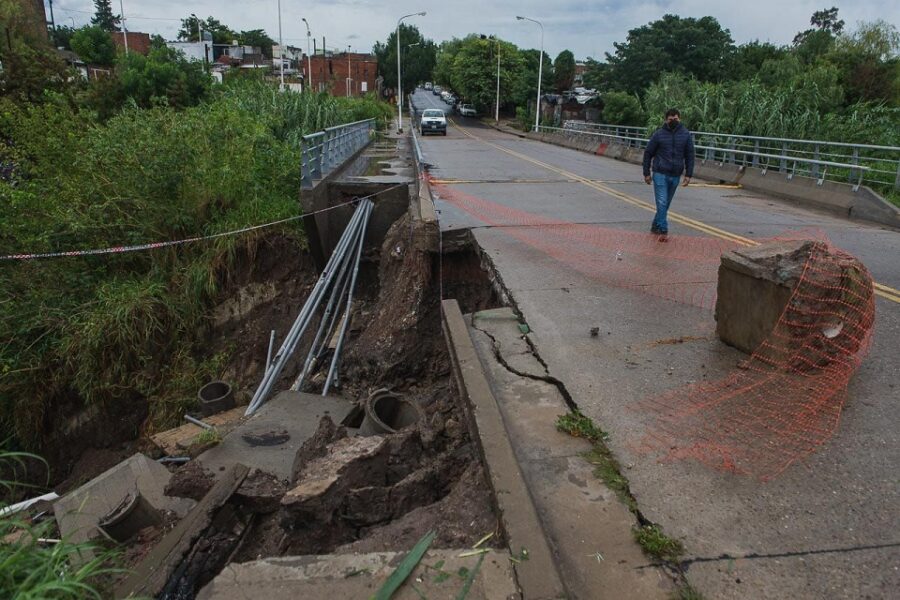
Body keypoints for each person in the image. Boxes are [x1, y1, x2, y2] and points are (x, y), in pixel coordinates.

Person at [642, 109, 695, 236]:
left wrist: (688, 174)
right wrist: (646, 173)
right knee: (662, 201)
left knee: (666, 203)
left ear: (680, 119)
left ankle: (655, 224)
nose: (673, 122)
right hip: (660, 173)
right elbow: (648, 153)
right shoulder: (659, 135)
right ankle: (662, 228)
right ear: (666, 120)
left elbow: (690, 155)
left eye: (676, 119)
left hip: (675, 174)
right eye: (671, 120)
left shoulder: (685, 134)